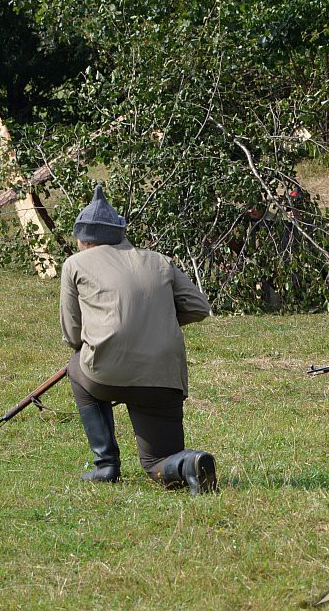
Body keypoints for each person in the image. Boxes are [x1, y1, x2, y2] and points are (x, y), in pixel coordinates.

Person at [60, 185, 218, 494]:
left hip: (104, 373)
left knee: (76, 367)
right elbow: (199, 308)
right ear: (118, 233)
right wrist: (157, 319)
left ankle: (105, 465)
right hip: (163, 377)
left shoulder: (75, 265)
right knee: (158, 461)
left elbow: (72, 336)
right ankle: (189, 463)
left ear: (84, 238)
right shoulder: (159, 261)